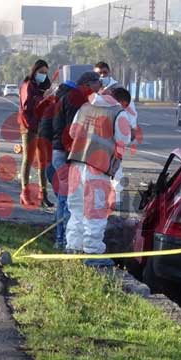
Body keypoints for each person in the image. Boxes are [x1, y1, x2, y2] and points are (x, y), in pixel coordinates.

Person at [66, 87, 131, 266]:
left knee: (77, 209)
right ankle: (93, 253)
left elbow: (72, 133)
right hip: (98, 167)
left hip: (76, 164)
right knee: (95, 212)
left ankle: (73, 248)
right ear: (121, 101)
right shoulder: (119, 114)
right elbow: (123, 141)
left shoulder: (85, 107)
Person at [94, 61, 137, 207]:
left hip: (117, 133)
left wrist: (131, 128)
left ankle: (116, 198)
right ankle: (103, 197)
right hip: (102, 135)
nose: (101, 76)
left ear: (109, 72)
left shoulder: (118, 90)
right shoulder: (96, 90)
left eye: (104, 73)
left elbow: (130, 111)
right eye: (98, 73)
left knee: (116, 166)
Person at [41, 80, 77, 248]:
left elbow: (43, 135)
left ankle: (59, 238)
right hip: (60, 157)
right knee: (66, 200)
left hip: (52, 159)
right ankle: (63, 239)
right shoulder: (66, 110)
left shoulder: (52, 108)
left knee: (63, 199)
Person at [18, 59, 53, 208]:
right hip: (29, 126)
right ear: (34, 71)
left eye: (45, 73)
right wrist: (43, 98)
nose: (43, 75)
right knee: (28, 158)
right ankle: (24, 192)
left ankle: (43, 193)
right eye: (41, 72)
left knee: (42, 161)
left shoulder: (45, 86)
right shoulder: (28, 85)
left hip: (42, 127)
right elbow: (27, 106)